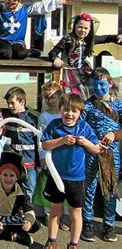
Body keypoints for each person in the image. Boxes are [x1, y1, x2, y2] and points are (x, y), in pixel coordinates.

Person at [41, 93, 100, 249]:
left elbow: (96, 149)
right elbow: (45, 145)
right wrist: (61, 140)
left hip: (76, 178)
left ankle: (73, 243)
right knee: (55, 210)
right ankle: (52, 240)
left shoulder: (84, 127)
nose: (69, 113)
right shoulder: (54, 125)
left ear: (80, 112)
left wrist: (85, 142)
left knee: (75, 213)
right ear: (60, 110)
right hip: (56, 176)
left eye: (74, 111)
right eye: (66, 109)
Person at [80, 67, 122, 243]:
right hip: (92, 151)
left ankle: (109, 224)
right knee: (89, 187)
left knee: (110, 188)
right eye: (95, 85)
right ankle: (87, 222)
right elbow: (80, 127)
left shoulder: (119, 105)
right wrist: (91, 144)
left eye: (102, 84)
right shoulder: (87, 106)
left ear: (110, 83)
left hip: (113, 154)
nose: (99, 88)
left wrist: (114, 134)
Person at [49, 12, 122, 99]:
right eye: (80, 27)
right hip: (70, 71)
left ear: (90, 29)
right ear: (75, 26)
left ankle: (106, 98)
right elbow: (53, 52)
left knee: (94, 83)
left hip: (83, 70)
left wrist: (117, 37)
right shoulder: (67, 39)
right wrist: (56, 59)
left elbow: (106, 38)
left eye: (86, 28)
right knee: (72, 94)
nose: (82, 30)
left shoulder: (90, 40)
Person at [0, 151, 40, 247]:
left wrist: (29, 222)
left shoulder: (21, 191)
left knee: (36, 225)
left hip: (13, 218)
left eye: (12, 175)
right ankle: (14, 236)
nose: (8, 179)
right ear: (0, 175)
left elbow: (29, 210)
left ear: (16, 178)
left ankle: (7, 233)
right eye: (5, 175)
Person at [33, 81, 66, 227]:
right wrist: (42, 156)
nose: (50, 101)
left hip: (64, 155)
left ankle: (63, 215)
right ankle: (49, 213)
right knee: (49, 184)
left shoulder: (65, 114)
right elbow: (40, 138)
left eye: (52, 97)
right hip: (49, 154)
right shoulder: (44, 116)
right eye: (47, 98)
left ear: (60, 96)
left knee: (64, 184)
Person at [1, 86, 39, 202]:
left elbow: (38, 141)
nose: (10, 106)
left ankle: (27, 215)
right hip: (13, 162)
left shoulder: (33, 119)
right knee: (10, 189)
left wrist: (40, 162)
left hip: (29, 163)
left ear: (22, 102)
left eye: (12, 103)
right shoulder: (7, 117)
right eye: (8, 103)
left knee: (29, 190)